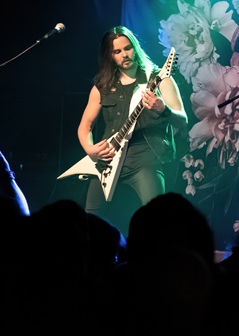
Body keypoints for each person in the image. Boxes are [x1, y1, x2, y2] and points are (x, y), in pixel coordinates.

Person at [76, 26, 186, 230]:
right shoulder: (102, 87)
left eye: (127, 48)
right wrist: (91, 150)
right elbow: (85, 126)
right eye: (117, 51)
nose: (124, 55)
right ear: (110, 56)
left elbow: (183, 120)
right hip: (107, 161)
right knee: (90, 221)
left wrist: (163, 109)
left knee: (157, 220)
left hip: (144, 159)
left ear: (135, 48)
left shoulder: (160, 78)